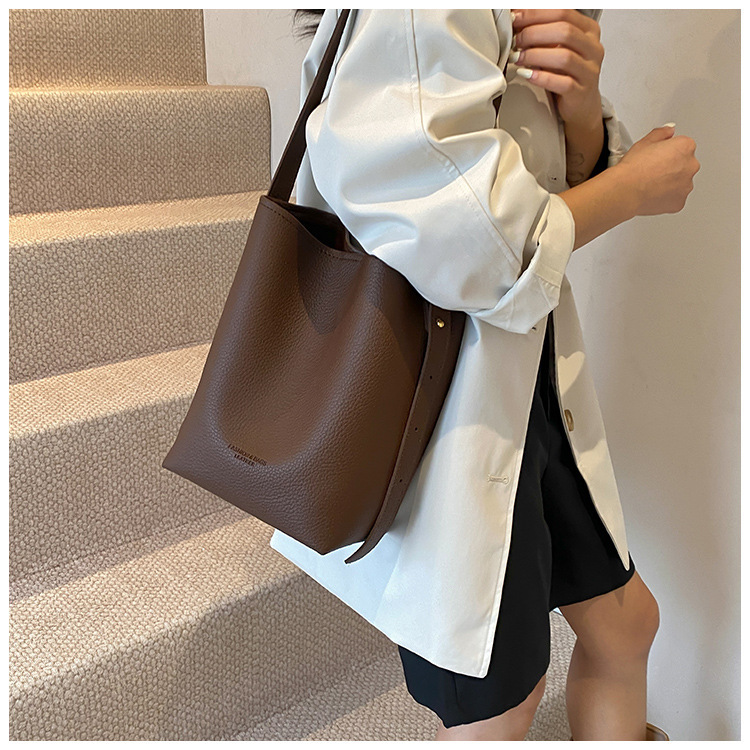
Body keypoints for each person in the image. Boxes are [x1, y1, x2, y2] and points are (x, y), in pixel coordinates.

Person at [274, 9, 700, 741]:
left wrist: (581, 110)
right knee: (499, 705)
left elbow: (525, 175)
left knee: (627, 626)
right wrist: (631, 188)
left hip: (524, 367)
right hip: (440, 397)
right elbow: (461, 236)